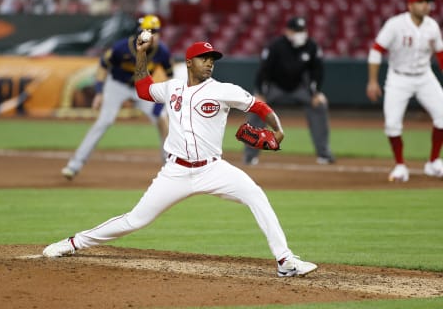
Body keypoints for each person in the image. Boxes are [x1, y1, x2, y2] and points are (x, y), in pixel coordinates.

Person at [43, 39, 318, 278]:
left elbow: (259, 106)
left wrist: (278, 131)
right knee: (135, 220)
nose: (209, 63)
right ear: (189, 62)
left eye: (212, 59)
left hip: (214, 169)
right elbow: (143, 89)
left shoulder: (223, 90)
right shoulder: (172, 88)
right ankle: (73, 243)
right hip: (175, 172)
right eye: (204, 58)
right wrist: (141, 54)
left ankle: (285, 261)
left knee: (256, 196)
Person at [61, 14, 173, 180]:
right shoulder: (122, 48)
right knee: (104, 121)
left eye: (156, 31)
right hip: (117, 86)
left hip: (141, 87)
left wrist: (164, 99)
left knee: (162, 118)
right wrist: (99, 92)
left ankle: (170, 166)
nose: (154, 35)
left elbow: (169, 75)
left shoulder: (161, 52)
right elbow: (103, 66)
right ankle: (74, 165)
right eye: (150, 31)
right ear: (139, 33)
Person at [366, 0, 443, 182]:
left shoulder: (432, 26)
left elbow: (440, 54)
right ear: (410, 5)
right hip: (399, 78)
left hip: (425, 76)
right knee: (392, 124)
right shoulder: (395, 25)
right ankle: (400, 165)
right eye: (421, 2)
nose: (426, 5)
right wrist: (373, 81)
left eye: (428, 2)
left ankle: (433, 163)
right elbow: (376, 51)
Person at [243, 16, 335, 166]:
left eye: (303, 30)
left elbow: (317, 71)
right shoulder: (276, 46)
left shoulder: (311, 46)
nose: (301, 33)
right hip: (274, 86)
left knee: (320, 105)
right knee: (256, 107)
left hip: (299, 87)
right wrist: (260, 92)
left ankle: (324, 154)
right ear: (288, 31)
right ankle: (250, 155)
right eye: (297, 30)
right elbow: (264, 70)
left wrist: (316, 93)